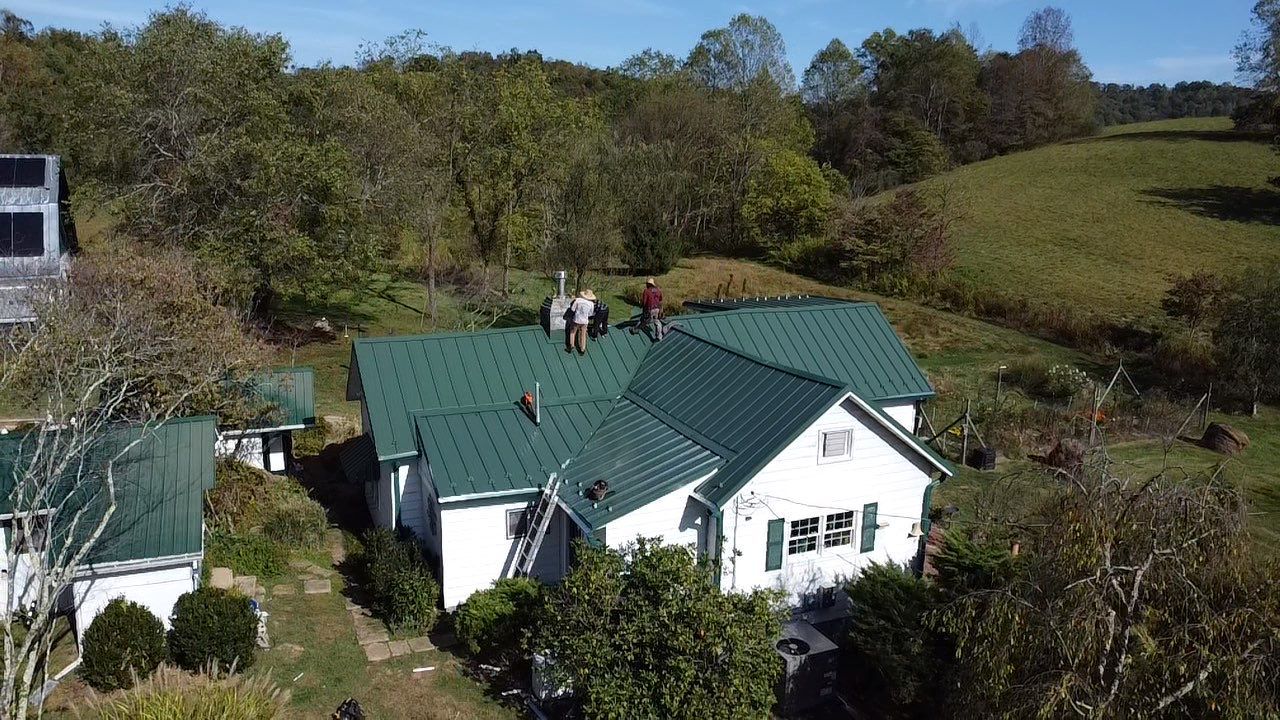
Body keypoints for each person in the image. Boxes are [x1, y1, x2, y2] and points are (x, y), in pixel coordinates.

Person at [566, 289, 596, 355]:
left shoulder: (578, 300)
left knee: (573, 332)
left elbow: (572, 309)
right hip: (585, 321)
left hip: (576, 319)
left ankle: (571, 345)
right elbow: (590, 314)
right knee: (583, 335)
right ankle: (582, 349)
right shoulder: (591, 304)